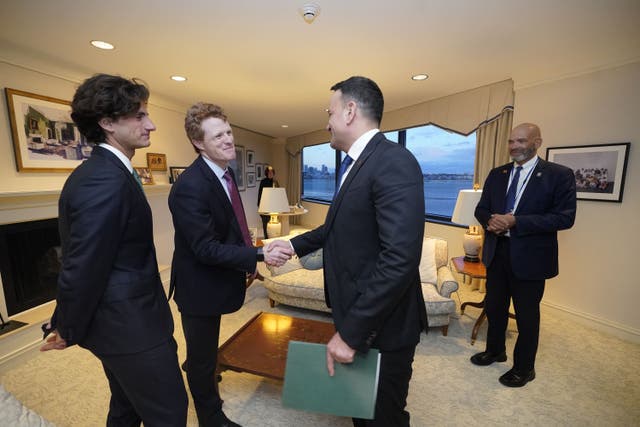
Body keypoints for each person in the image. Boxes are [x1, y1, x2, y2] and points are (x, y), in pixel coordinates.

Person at [273, 76, 427, 426]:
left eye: (330, 112)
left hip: (383, 325)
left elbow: (399, 259)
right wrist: (293, 244)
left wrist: (351, 333)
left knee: (382, 416)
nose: (326, 122)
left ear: (350, 111)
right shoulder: (356, 163)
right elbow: (336, 227)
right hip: (358, 311)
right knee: (360, 408)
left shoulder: (392, 161)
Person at [40, 74, 188, 426]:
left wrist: (65, 320)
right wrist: (67, 327)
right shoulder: (102, 179)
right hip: (130, 329)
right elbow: (82, 265)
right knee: (169, 412)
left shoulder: (109, 172)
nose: (150, 124)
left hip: (125, 323)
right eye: (139, 116)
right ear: (106, 123)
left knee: (126, 407)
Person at [168, 102, 292, 427]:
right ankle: (211, 419)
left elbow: (233, 224)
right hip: (198, 288)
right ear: (198, 143)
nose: (227, 140)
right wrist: (260, 254)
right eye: (218, 135)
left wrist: (248, 255)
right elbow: (205, 248)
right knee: (202, 359)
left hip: (220, 280)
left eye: (228, 131)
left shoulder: (225, 171)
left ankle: (200, 368)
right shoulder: (189, 187)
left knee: (204, 353)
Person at [472, 122, 577, 387]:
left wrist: (516, 221)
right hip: (497, 251)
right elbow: (482, 208)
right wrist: (491, 221)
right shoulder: (497, 174)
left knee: (527, 315)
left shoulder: (558, 175)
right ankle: (495, 350)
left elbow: (564, 218)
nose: (514, 146)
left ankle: (524, 368)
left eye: (521, 141)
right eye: (511, 141)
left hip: (531, 257)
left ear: (537, 142)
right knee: (494, 307)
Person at [257, 165, 279, 238]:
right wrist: (260, 206)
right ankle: (266, 237)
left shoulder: (275, 182)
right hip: (265, 205)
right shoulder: (263, 182)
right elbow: (260, 194)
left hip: (274, 206)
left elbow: (278, 193)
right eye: (269, 172)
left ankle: (273, 236)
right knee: (265, 223)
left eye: (272, 172)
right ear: (266, 173)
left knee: (274, 223)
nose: (270, 174)